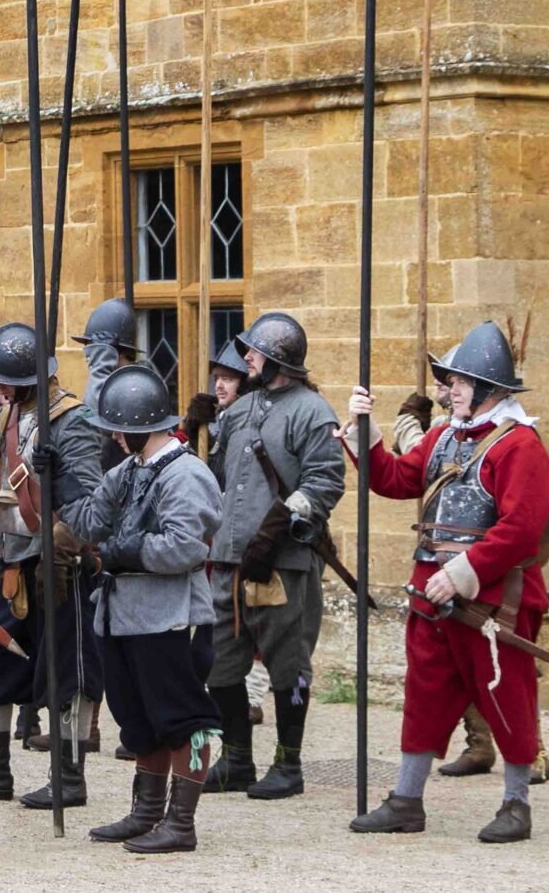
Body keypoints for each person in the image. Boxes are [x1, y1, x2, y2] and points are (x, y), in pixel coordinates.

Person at [348, 320, 549, 844]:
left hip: (492, 597)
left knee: (507, 694)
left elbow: (520, 530)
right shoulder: (444, 435)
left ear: (489, 388)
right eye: (451, 380)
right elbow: (397, 480)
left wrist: (461, 575)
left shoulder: (520, 446)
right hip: (432, 593)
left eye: (461, 380)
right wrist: (365, 433)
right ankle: (406, 800)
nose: (450, 388)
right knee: (425, 694)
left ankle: (516, 803)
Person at [59, 365, 223, 854]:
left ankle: (181, 822)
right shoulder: (127, 472)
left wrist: (122, 551)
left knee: (183, 719)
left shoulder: (188, 474)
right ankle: (148, 812)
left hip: (170, 616)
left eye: (117, 428)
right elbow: (90, 522)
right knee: (138, 719)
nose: (112, 436)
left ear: (134, 429)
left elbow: (184, 547)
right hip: (124, 613)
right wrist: (59, 481)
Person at [0, 322, 104, 809]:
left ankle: (69, 776)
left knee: (64, 671)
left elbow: (90, 501)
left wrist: (52, 471)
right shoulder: (9, 414)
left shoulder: (71, 420)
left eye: (2, 380)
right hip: (12, 559)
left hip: (56, 564)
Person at [203, 312, 345, 799]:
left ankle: (288, 765)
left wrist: (278, 526)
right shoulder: (240, 410)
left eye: (254, 352)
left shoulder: (314, 412)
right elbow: (219, 478)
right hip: (229, 557)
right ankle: (236, 760)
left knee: (287, 666)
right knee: (219, 665)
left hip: (282, 562)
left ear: (277, 359)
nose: (245, 359)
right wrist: (201, 430)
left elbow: (326, 481)